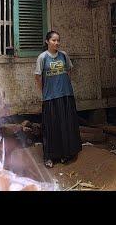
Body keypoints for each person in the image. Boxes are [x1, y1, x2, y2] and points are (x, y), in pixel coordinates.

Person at [34, 31, 81, 168]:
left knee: (66, 125)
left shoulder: (64, 55)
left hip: (66, 95)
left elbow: (69, 71)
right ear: (47, 41)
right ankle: (49, 157)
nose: (56, 43)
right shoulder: (42, 57)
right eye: (54, 40)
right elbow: (37, 76)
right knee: (51, 127)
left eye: (58, 40)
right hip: (50, 97)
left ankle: (66, 154)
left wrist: (65, 84)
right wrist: (44, 90)